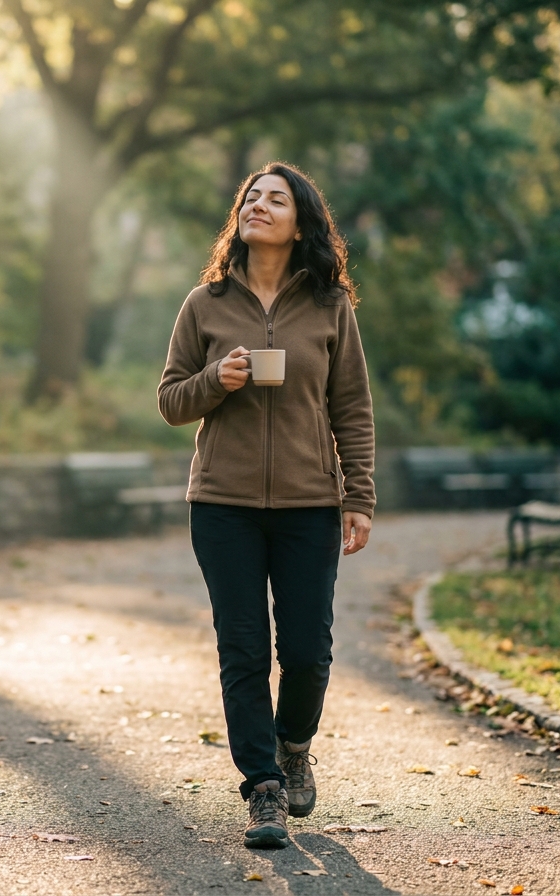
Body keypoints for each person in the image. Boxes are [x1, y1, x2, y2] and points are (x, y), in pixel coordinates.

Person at [157, 162, 375, 849]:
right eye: (252, 196)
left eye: (276, 198)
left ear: (300, 220)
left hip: (311, 502)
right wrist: (214, 381)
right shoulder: (205, 303)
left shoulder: (330, 306)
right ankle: (263, 788)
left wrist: (358, 495)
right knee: (243, 648)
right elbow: (169, 401)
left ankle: (295, 743)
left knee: (308, 651)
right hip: (223, 505)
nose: (260, 204)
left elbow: (352, 408)